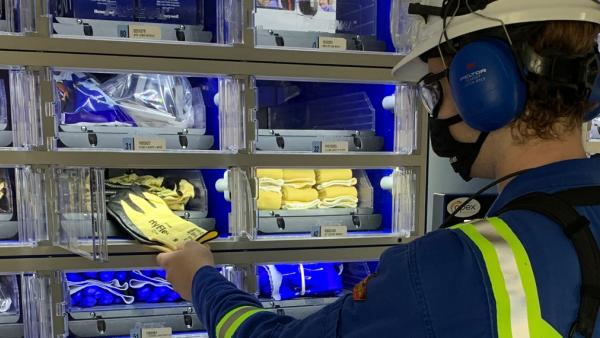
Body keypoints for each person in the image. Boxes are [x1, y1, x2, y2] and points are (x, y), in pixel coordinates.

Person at [157, 1, 600, 337]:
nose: (433, 110)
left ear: (482, 83)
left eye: (434, 88)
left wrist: (200, 279)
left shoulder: (457, 267)